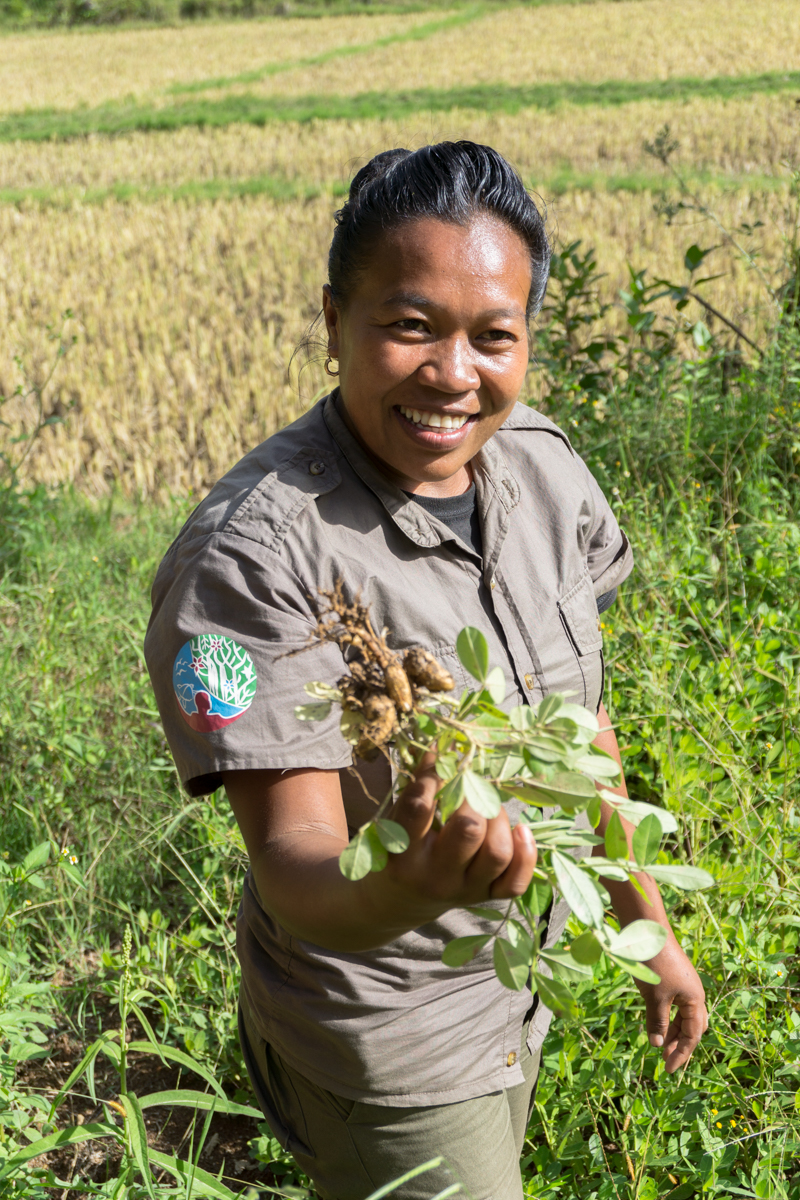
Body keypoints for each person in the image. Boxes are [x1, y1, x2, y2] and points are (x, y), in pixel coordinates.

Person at [145, 142, 708, 1200]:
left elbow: (578, 728)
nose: (453, 373)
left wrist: (649, 933)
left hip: (512, 989)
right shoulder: (253, 555)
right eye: (410, 326)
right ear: (331, 321)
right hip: (386, 1032)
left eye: (492, 336)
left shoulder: (542, 471)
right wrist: (408, 883)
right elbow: (294, 862)